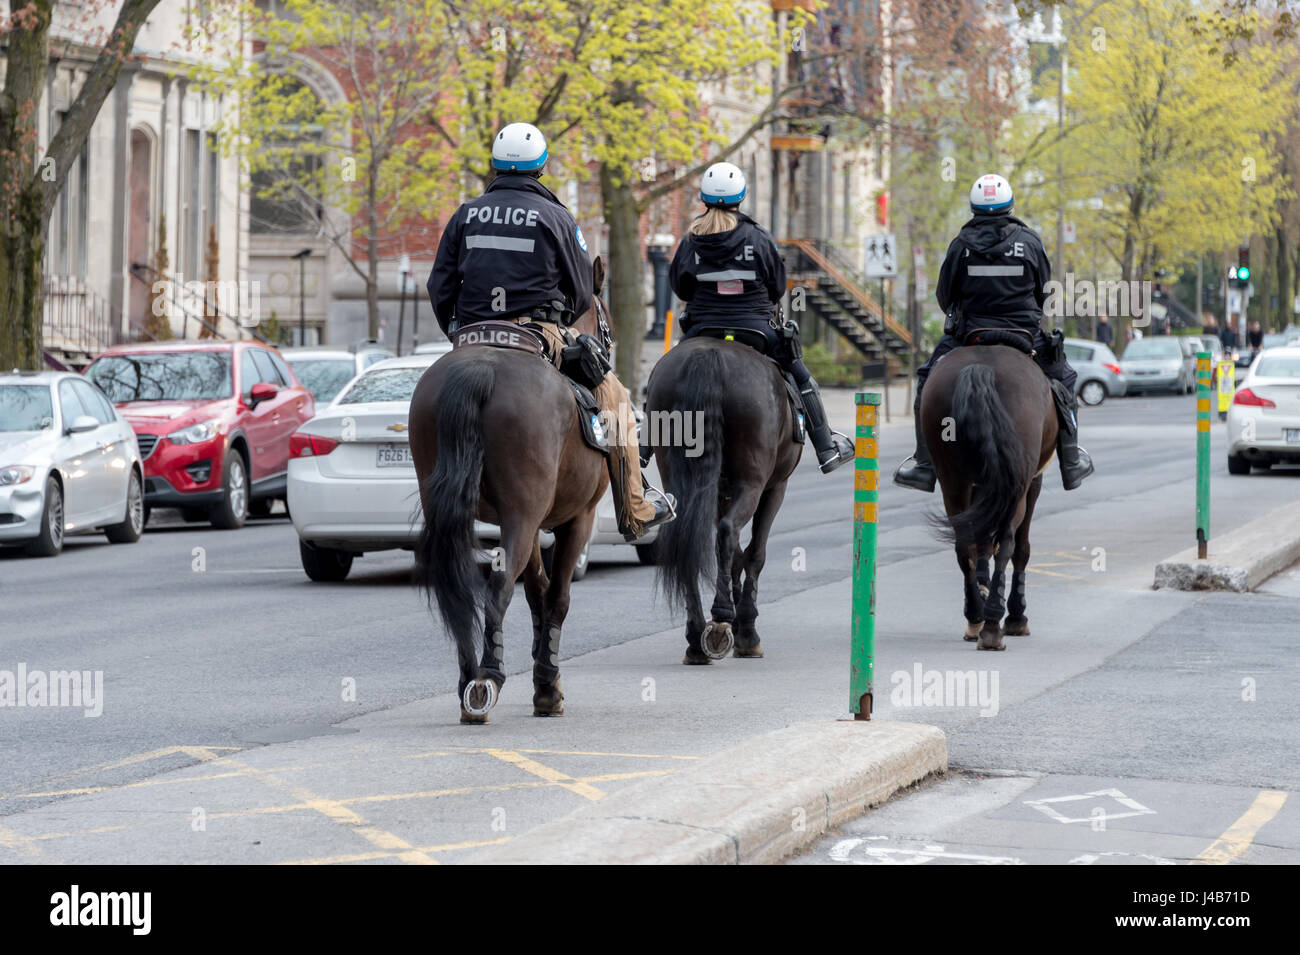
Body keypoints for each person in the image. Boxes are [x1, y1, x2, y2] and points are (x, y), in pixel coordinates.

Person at [428, 122, 674, 541]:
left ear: (495, 164)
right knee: (616, 399)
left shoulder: (465, 214)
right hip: (537, 331)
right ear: (540, 165)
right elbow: (581, 293)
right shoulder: (557, 217)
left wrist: (458, 329)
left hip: (471, 334)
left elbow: (440, 285)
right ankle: (636, 506)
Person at [893, 173, 1094, 492]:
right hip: (1024, 336)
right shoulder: (1030, 241)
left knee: (927, 379)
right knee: (1065, 379)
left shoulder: (960, 245)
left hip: (970, 334)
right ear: (1010, 204)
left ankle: (924, 463)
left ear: (974, 207)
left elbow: (945, 295)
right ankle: (1071, 461)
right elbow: (1044, 290)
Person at [668, 161, 855, 473]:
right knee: (800, 374)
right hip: (756, 329)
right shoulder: (758, 238)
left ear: (703, 198)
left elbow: (680, 286)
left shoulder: (690, 241)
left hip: (702, 329)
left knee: (667, 375)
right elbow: (777, 286)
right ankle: (826, 446)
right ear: (741, 197)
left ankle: (645, 449)